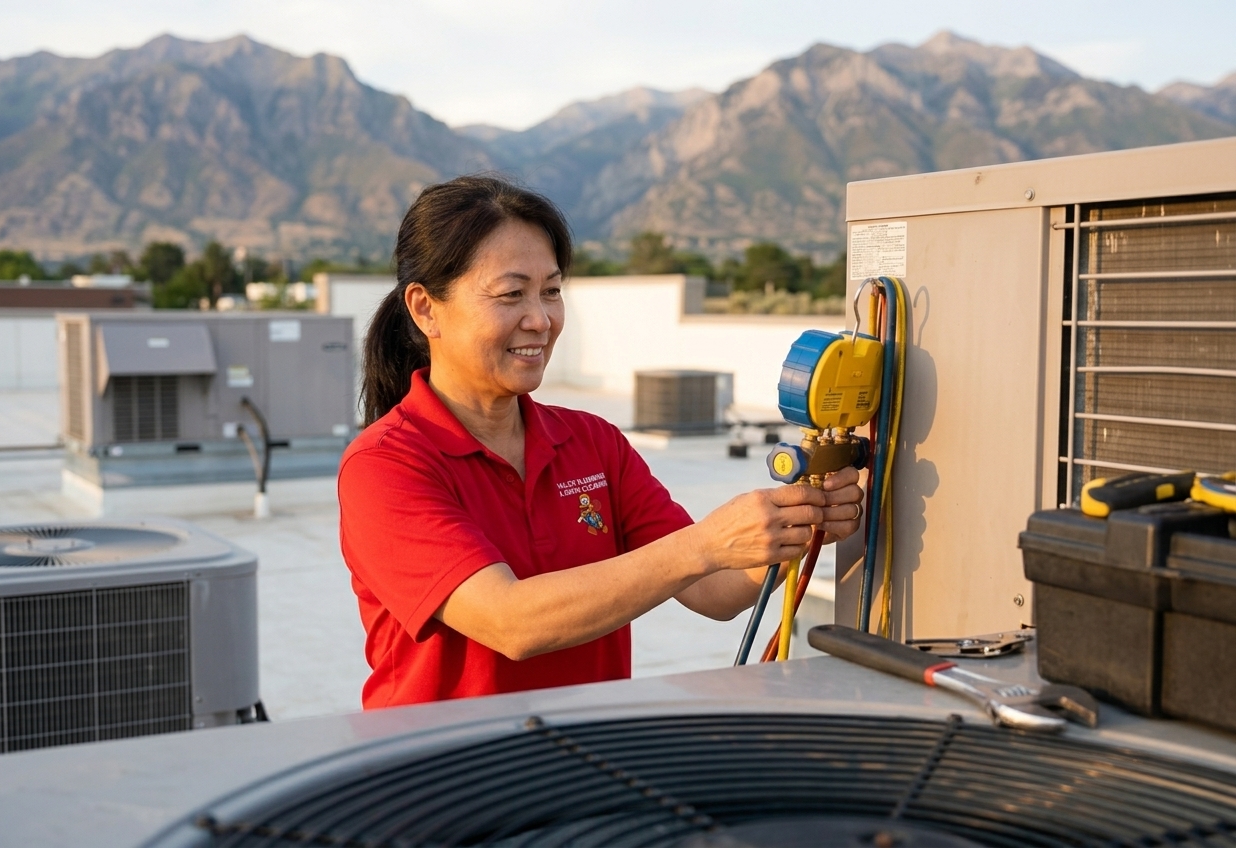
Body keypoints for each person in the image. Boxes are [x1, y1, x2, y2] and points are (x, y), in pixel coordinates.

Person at [338, 175, 864, 709]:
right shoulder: (385, 466)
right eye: (511, 294)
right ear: (425, 308)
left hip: (590, 764)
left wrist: (798, 518)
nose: (540, 320)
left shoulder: (591, 443)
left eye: (551, 291)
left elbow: (714, 590)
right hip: (450, 777)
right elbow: (511, 621)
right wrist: (702, 544)